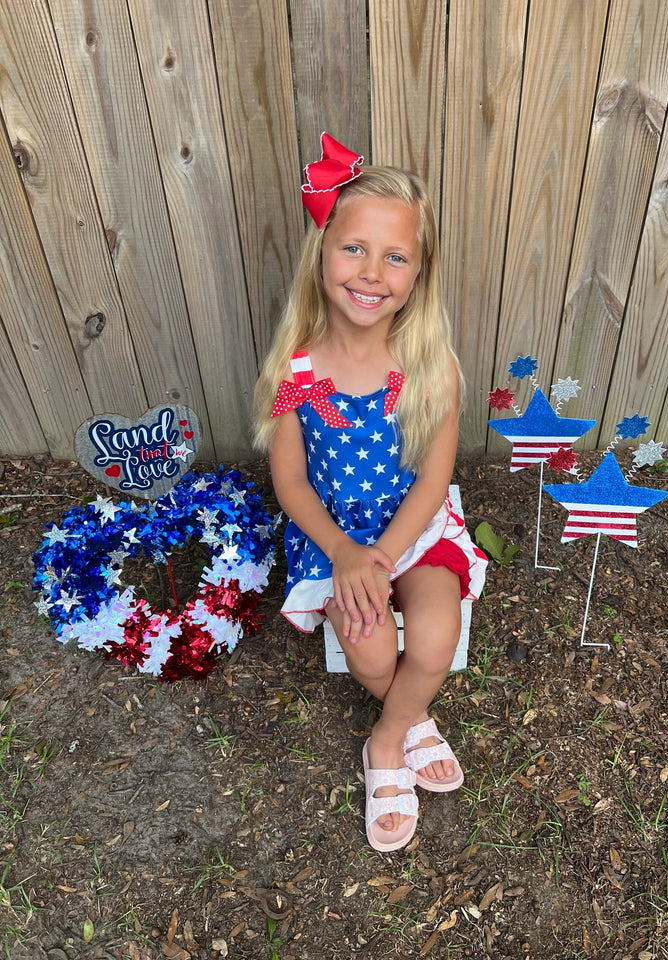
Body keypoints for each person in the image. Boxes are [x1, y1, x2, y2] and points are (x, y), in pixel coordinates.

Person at [254, 133, 487, 851]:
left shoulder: (430, 367)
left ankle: (387, 741)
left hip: (409, 528)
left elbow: (435, 478)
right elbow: (290, 480)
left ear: (418, 275)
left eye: (396, 256)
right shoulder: (299, 369)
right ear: (322, 253)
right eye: (354, 248)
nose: (372, 272)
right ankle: (413, 716)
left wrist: (382, 556)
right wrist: (344, 554)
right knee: (371, 649)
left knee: (437, 636)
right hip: (334, 534)